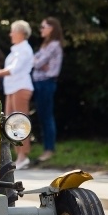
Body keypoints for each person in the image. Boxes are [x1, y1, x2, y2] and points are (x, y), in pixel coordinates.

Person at [0, 20, 34, 169]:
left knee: (20, 122)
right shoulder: (17, 49)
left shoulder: (25, 49)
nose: (10, 34)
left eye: (13, 31)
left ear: (21, 33)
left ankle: (23, 156)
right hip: (12, 89)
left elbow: (14, 69)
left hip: (21, 88)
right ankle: (18, 155)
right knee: (10, 124)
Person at [33, 17, 64, 162]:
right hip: (40, 82)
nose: (41, 29)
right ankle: (47, 148)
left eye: (43, 26)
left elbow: (38, 63)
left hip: (47, 82)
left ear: (51, 28)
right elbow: (36, 61)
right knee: (42, 116)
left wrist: (39, 63)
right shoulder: (45, 45)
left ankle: (49, 149)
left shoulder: (54, 45)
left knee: (47, 116)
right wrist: (39, 63)